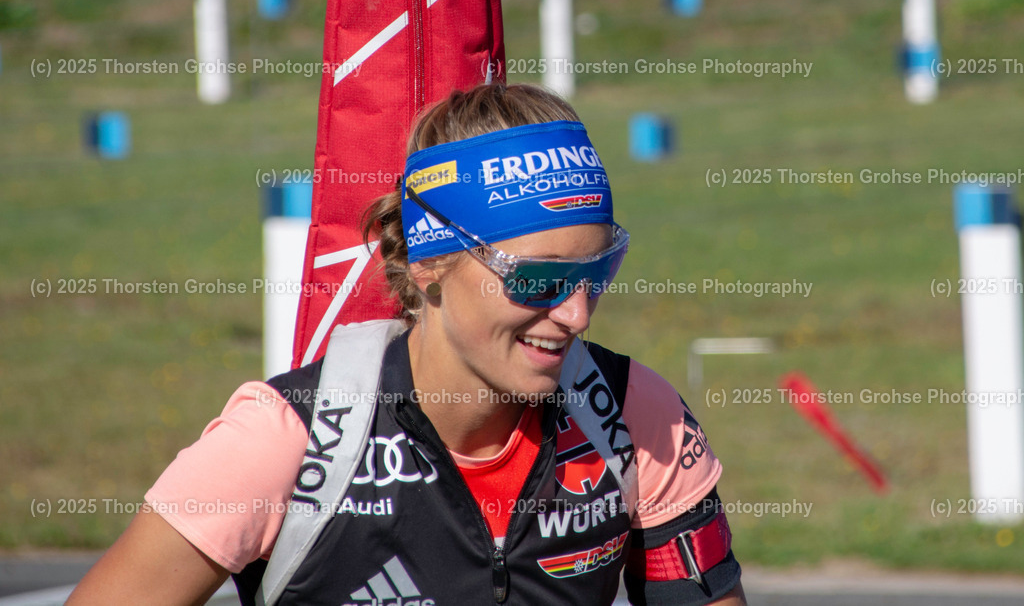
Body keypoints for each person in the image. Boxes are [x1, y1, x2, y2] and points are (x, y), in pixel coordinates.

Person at [69, 83, 746, 605]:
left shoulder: (637, 416)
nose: (575, 314)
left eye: (597, 273)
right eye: (537, 278)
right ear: (429, 264)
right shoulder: (284, 440)